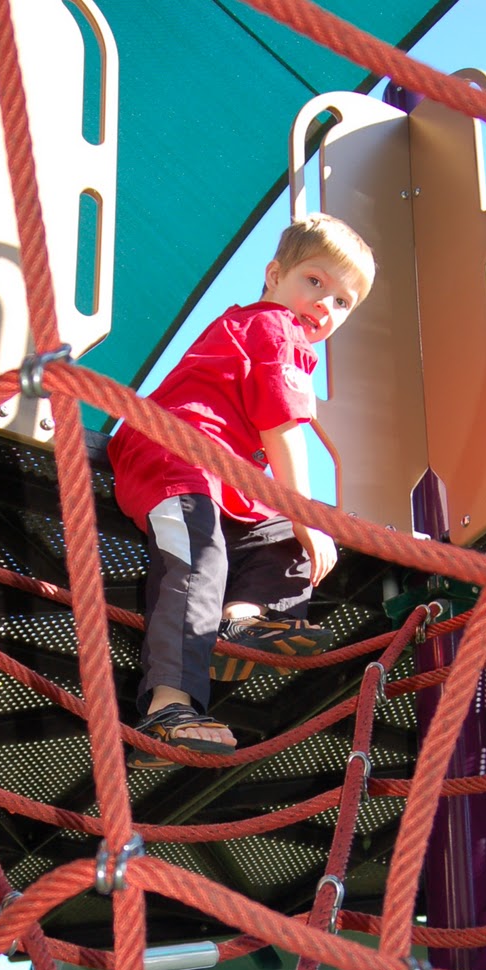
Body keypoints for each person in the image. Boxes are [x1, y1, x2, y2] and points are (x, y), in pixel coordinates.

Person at [109, 212, 376, 764]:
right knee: (199, 561)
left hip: (226, 475)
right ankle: (168, 705)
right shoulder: (275, 327)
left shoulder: (280, 335)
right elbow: (283, 432)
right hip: (177, 453)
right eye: (315, 281)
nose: (326, 304)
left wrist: (297, 526)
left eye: (343, 302)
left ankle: (243, 617)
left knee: (281, 539)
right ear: (275, 274)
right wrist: (308, 519)